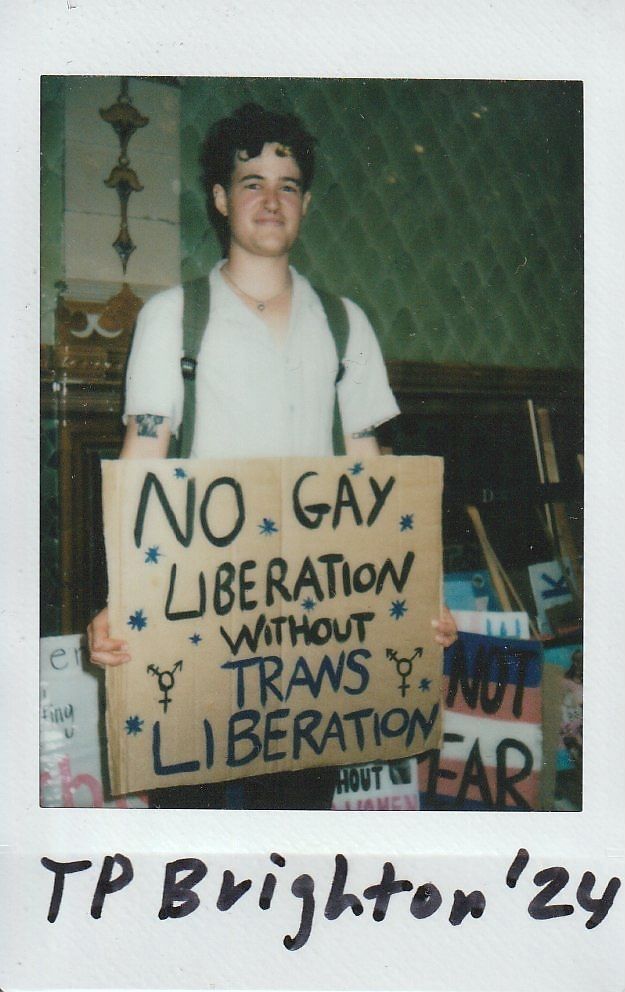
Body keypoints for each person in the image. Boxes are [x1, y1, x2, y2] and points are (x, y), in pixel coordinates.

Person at [88, 102, 457, 809]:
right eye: (251, 181)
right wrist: (120, 601)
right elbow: (144, 454)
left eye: (287, 185)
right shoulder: (172, 317)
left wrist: (415, 599)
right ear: (221, 201)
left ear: (306, 205)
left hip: (312, 622)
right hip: (193, 608)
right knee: (188, 820)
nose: (269, 199)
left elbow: (367, 466)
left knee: (292, 818)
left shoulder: (346, 322)